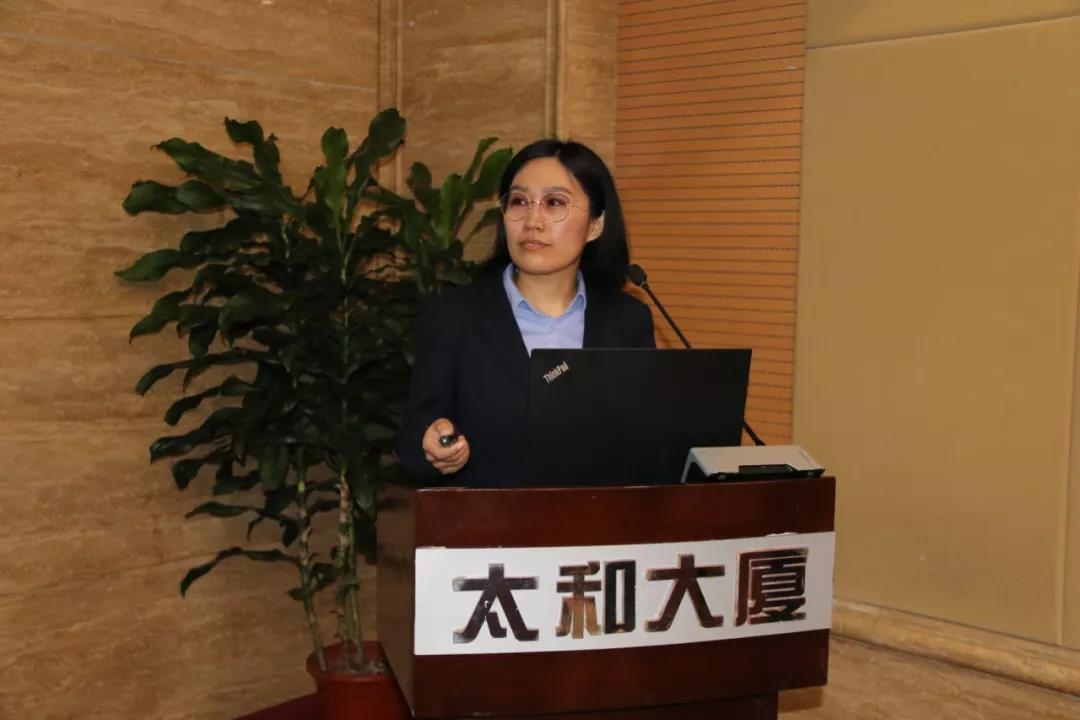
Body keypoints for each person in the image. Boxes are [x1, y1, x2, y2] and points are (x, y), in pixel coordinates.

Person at [395, 139, 655, 487]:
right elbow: (413, 442)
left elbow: (645, 444)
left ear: (596, 225)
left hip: (595, 518)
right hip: (488, 518)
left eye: (554, 203)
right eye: (519, 201)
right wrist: (433, 445)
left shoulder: (628, 320)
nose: (532, 221)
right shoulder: (453, 316)